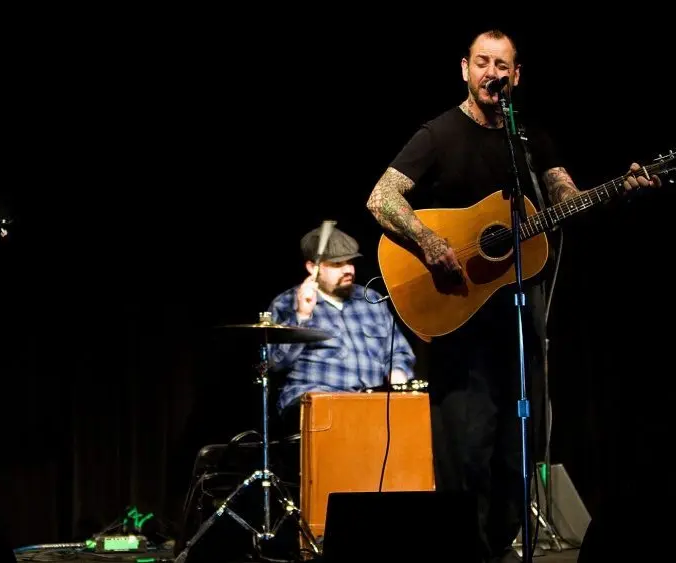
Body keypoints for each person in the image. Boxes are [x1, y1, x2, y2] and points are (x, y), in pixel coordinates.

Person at [364, 29, 662, 562]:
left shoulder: (529, 140)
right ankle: (460, 552)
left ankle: (499, 550)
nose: (492, 74)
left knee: (517, 454)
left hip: (520, 322)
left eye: (502, 65)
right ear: (464, 68)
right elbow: (381, 197)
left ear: (516, 75)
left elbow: (563, 195)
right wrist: (430, 240)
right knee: (467, 449)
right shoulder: (438, 134)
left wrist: (614, 191)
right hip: (459, 316)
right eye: (482, 62)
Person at [266, 225, 416, 428]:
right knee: (342, 420)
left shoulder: (371, 300)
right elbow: (276, 364)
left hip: (371, 401)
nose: (348, 270)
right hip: (315, 402)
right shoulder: (286, 303)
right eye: (337, 264)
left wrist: (398, 371)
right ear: (313, 268)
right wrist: (302, 315)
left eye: (350, 262)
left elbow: (399, 351)